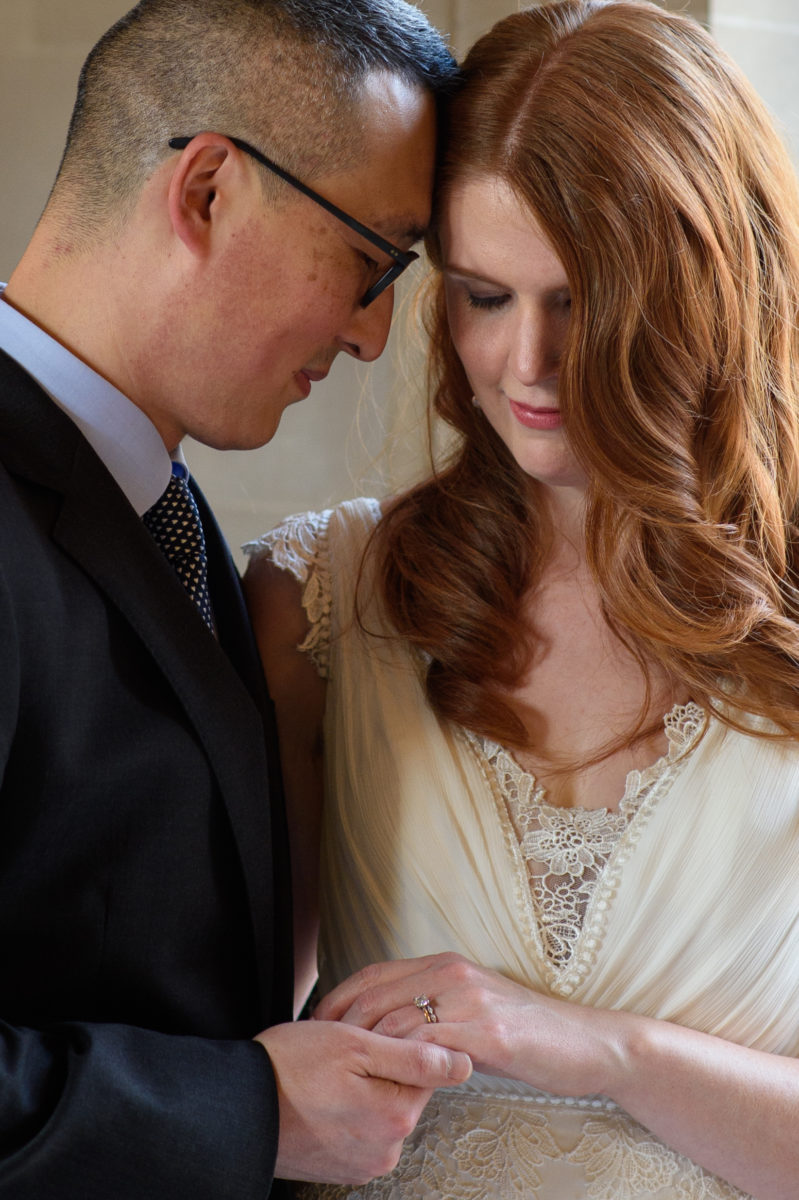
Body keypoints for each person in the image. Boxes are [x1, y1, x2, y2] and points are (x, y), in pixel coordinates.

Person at [243, 1, 799, 1196]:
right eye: (483, 295)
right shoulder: (322, 607)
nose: (527, 366)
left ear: (713, 288)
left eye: (583, 296)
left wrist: (608, 1052)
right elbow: (238, 1068)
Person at [0, 1, 475, 1197]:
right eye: (373, 263)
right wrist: (247, 1114)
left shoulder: (168, 512)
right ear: (207, 189)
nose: (376, 336)